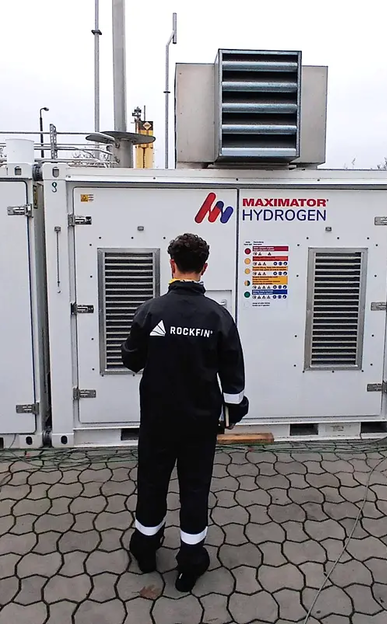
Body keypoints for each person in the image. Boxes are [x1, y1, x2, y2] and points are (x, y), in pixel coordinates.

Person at [121, 232, 249, 592]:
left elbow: (130, 358)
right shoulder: (218, 316)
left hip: (158, 419)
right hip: (200, 422)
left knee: (152, 482)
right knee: (195, 488)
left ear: (172, 265)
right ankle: (190, 563)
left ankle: (145, 550)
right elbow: (233, 372)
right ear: (204, 268)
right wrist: (233, 411)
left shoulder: (151, 311)